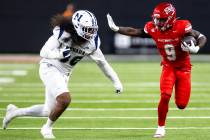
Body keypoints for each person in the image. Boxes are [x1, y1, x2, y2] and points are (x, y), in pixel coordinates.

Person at [3, 10, 123, 139]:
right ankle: (46, 129)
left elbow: (103, 63)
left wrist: (116, 81)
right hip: (49, 67)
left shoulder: (92, 43)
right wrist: (58, 54)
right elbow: (43, 52)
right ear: (77, 26)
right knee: (65, 99)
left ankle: (14, 112)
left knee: (48, 111)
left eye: (92, 29)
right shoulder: (63, 33)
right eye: (87, 29)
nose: (91, 33)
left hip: (64, 74)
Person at [107, 2, 207, 138]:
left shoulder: (182, 26)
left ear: (171, 18)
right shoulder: (152, 28)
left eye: (162, 19)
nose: (158, 22)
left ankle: (168, 117)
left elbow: (201, 37)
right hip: (168, 66)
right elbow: (134, 31)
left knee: (182, 104)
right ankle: (160, 127)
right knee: (165, 95)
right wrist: (116, 28)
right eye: (157, 18)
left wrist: (197, 48)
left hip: (184, 68)